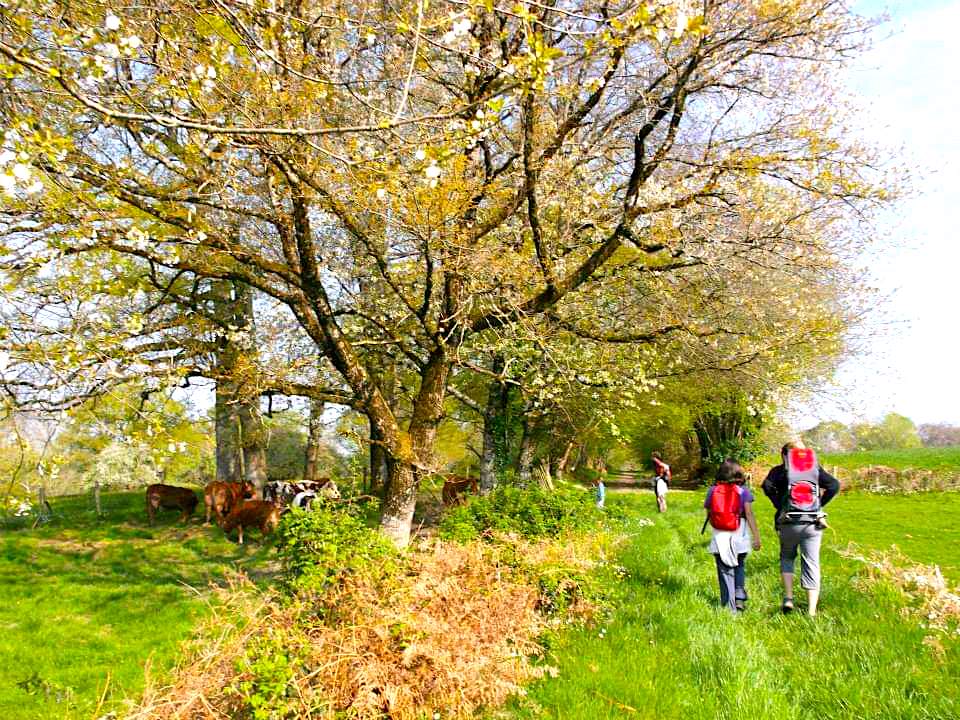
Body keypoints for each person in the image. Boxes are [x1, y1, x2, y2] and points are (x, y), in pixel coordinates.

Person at [762, 442, 841, 616]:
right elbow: (834, 485)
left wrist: (780, 505)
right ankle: (811, 611)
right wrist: (818, 505)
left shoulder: (779, 471)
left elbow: (766, 486)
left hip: (787, 521)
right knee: (811, 563)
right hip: (812, 522)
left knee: (787, 557)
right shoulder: (813, 469)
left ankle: (789, 598)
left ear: (783, 455)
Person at [704, 459, 762, 613]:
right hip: (740, 535)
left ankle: (729, 608)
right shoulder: (744, 492)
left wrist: (719, 524)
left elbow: (709, 514)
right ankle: (739, 599)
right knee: (739, 566)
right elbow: (749, 514)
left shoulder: (712, 491)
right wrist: (756, 537)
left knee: (725, 571)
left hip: (720, 536)